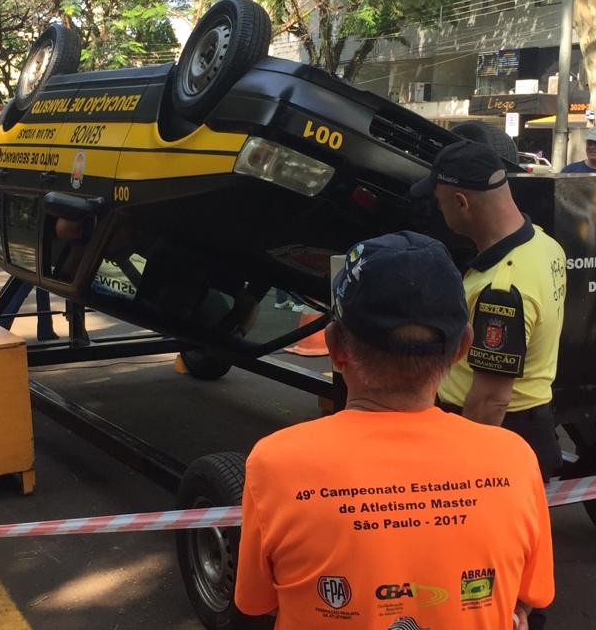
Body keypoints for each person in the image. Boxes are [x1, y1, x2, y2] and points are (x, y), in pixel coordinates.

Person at [235, 232, 554, 630]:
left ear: (335, 347)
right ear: (462, 348)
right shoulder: (514, 459)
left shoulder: (275, 463)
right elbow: (531, 595)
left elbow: (257, 602)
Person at [411, 140, 567, 481]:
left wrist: (464, 474)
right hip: (529, 426)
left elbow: (491, 399)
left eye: (440, 202)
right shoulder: (545, 244)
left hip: (495, 435)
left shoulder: (501, 289)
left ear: (461, 202)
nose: (439, 211)